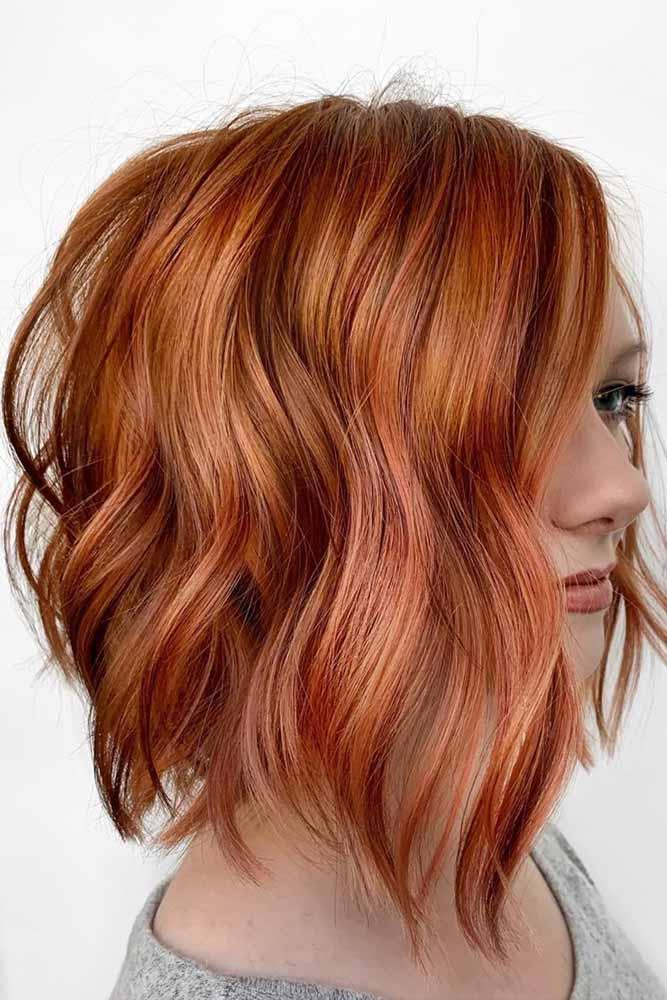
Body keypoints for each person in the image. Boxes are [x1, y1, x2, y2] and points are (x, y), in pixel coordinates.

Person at [3, 80, 666, 1000]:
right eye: (510, 414)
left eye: (613, 397)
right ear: (276, 476)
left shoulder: (476, 829)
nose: (623, 489)